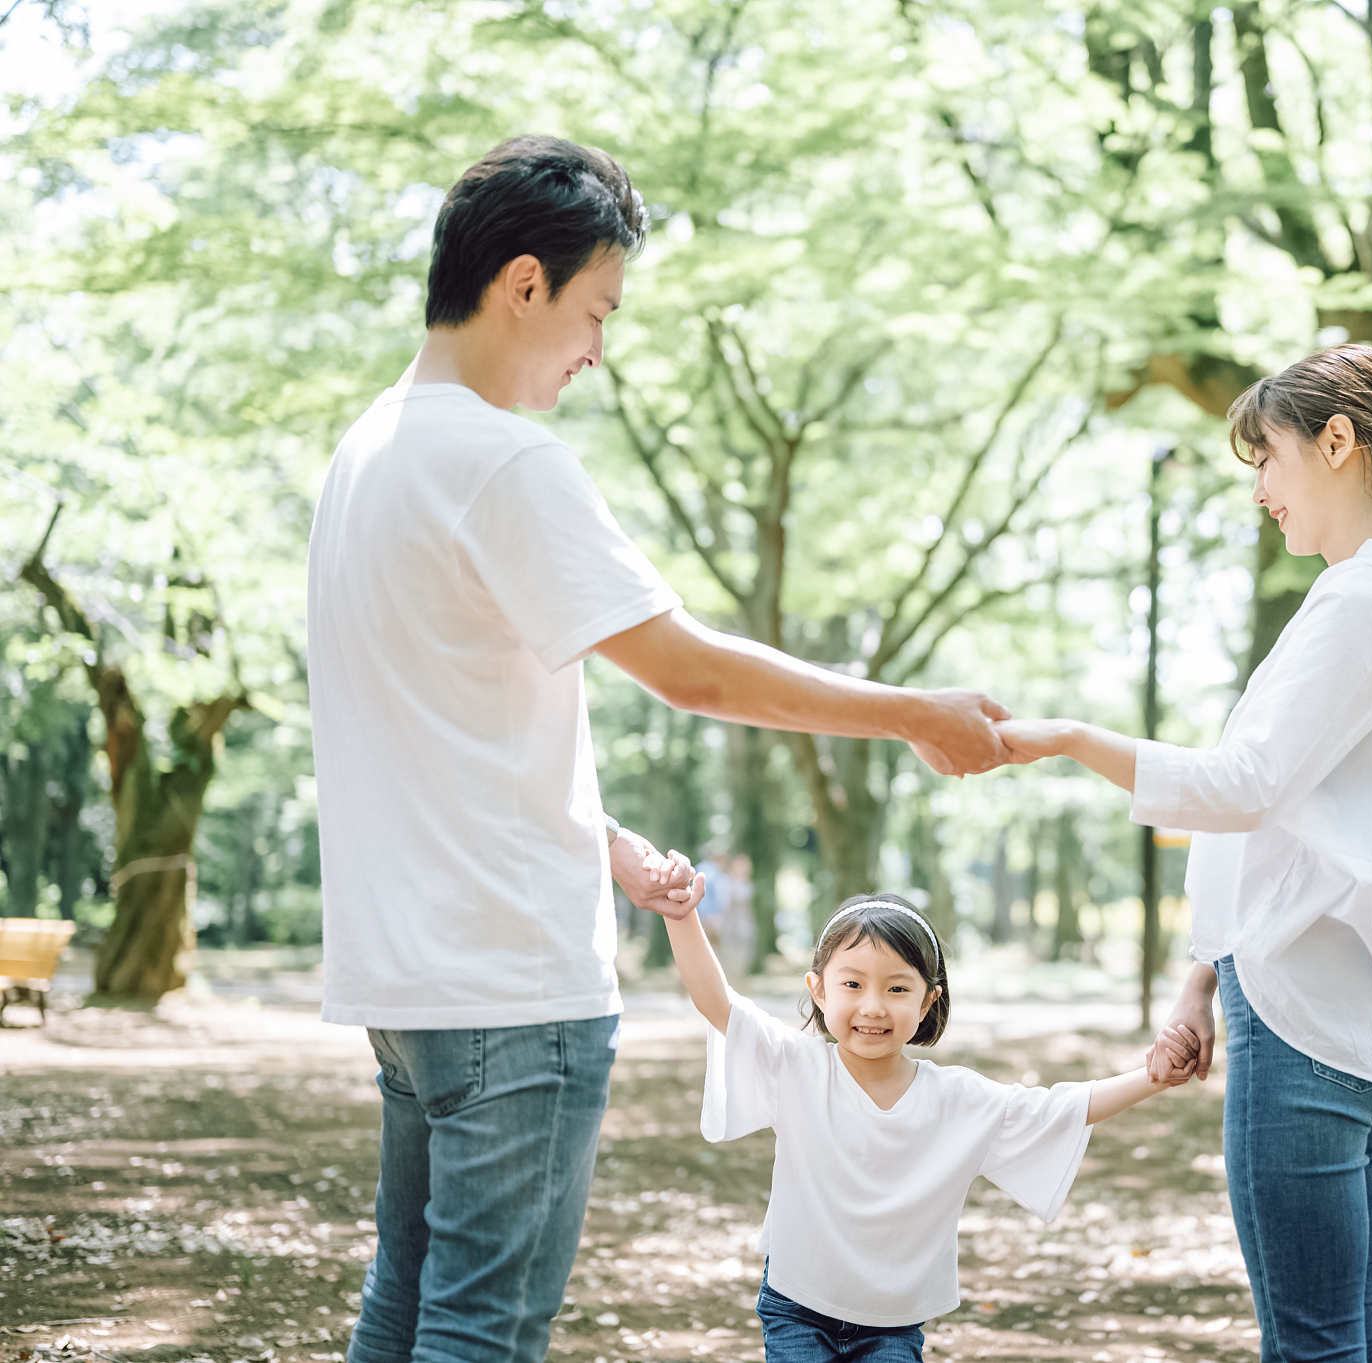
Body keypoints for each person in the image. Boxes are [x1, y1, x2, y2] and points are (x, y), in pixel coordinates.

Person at [308, 135, 1012, 1363]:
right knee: (480, 1329)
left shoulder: (365, 452)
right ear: (522, 283)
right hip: (509, 985)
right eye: (595, 312)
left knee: (406, 1299)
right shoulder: (502, 459)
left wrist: (604, 839)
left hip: (405, 976)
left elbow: (433, 711)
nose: (595, 353)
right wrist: (909, 709)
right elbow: (686, 668)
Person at [996, 343, 1372, 1363]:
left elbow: (1241, 789)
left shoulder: (1365, 601)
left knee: (1311, 1346)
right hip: (1321, 1014)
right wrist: (1199, 981)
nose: (1261, 489)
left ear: (1336, 442)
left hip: (1306, 1022)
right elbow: (1290, 830)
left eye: (1265, 459)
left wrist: (1061, 737)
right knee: (1342, 1340)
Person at [647, 889, 1199, 1361]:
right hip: (798, 1303)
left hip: (893, 1318)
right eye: (852, 984)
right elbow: (717, 1002)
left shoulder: (956, 1098)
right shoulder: (797, 1066)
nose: (873, 1006)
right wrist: (680, 914)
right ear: (818, 989)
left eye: (896, 988)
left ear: (927, 1000)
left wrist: (1153, 1078)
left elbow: (1062, 1106)